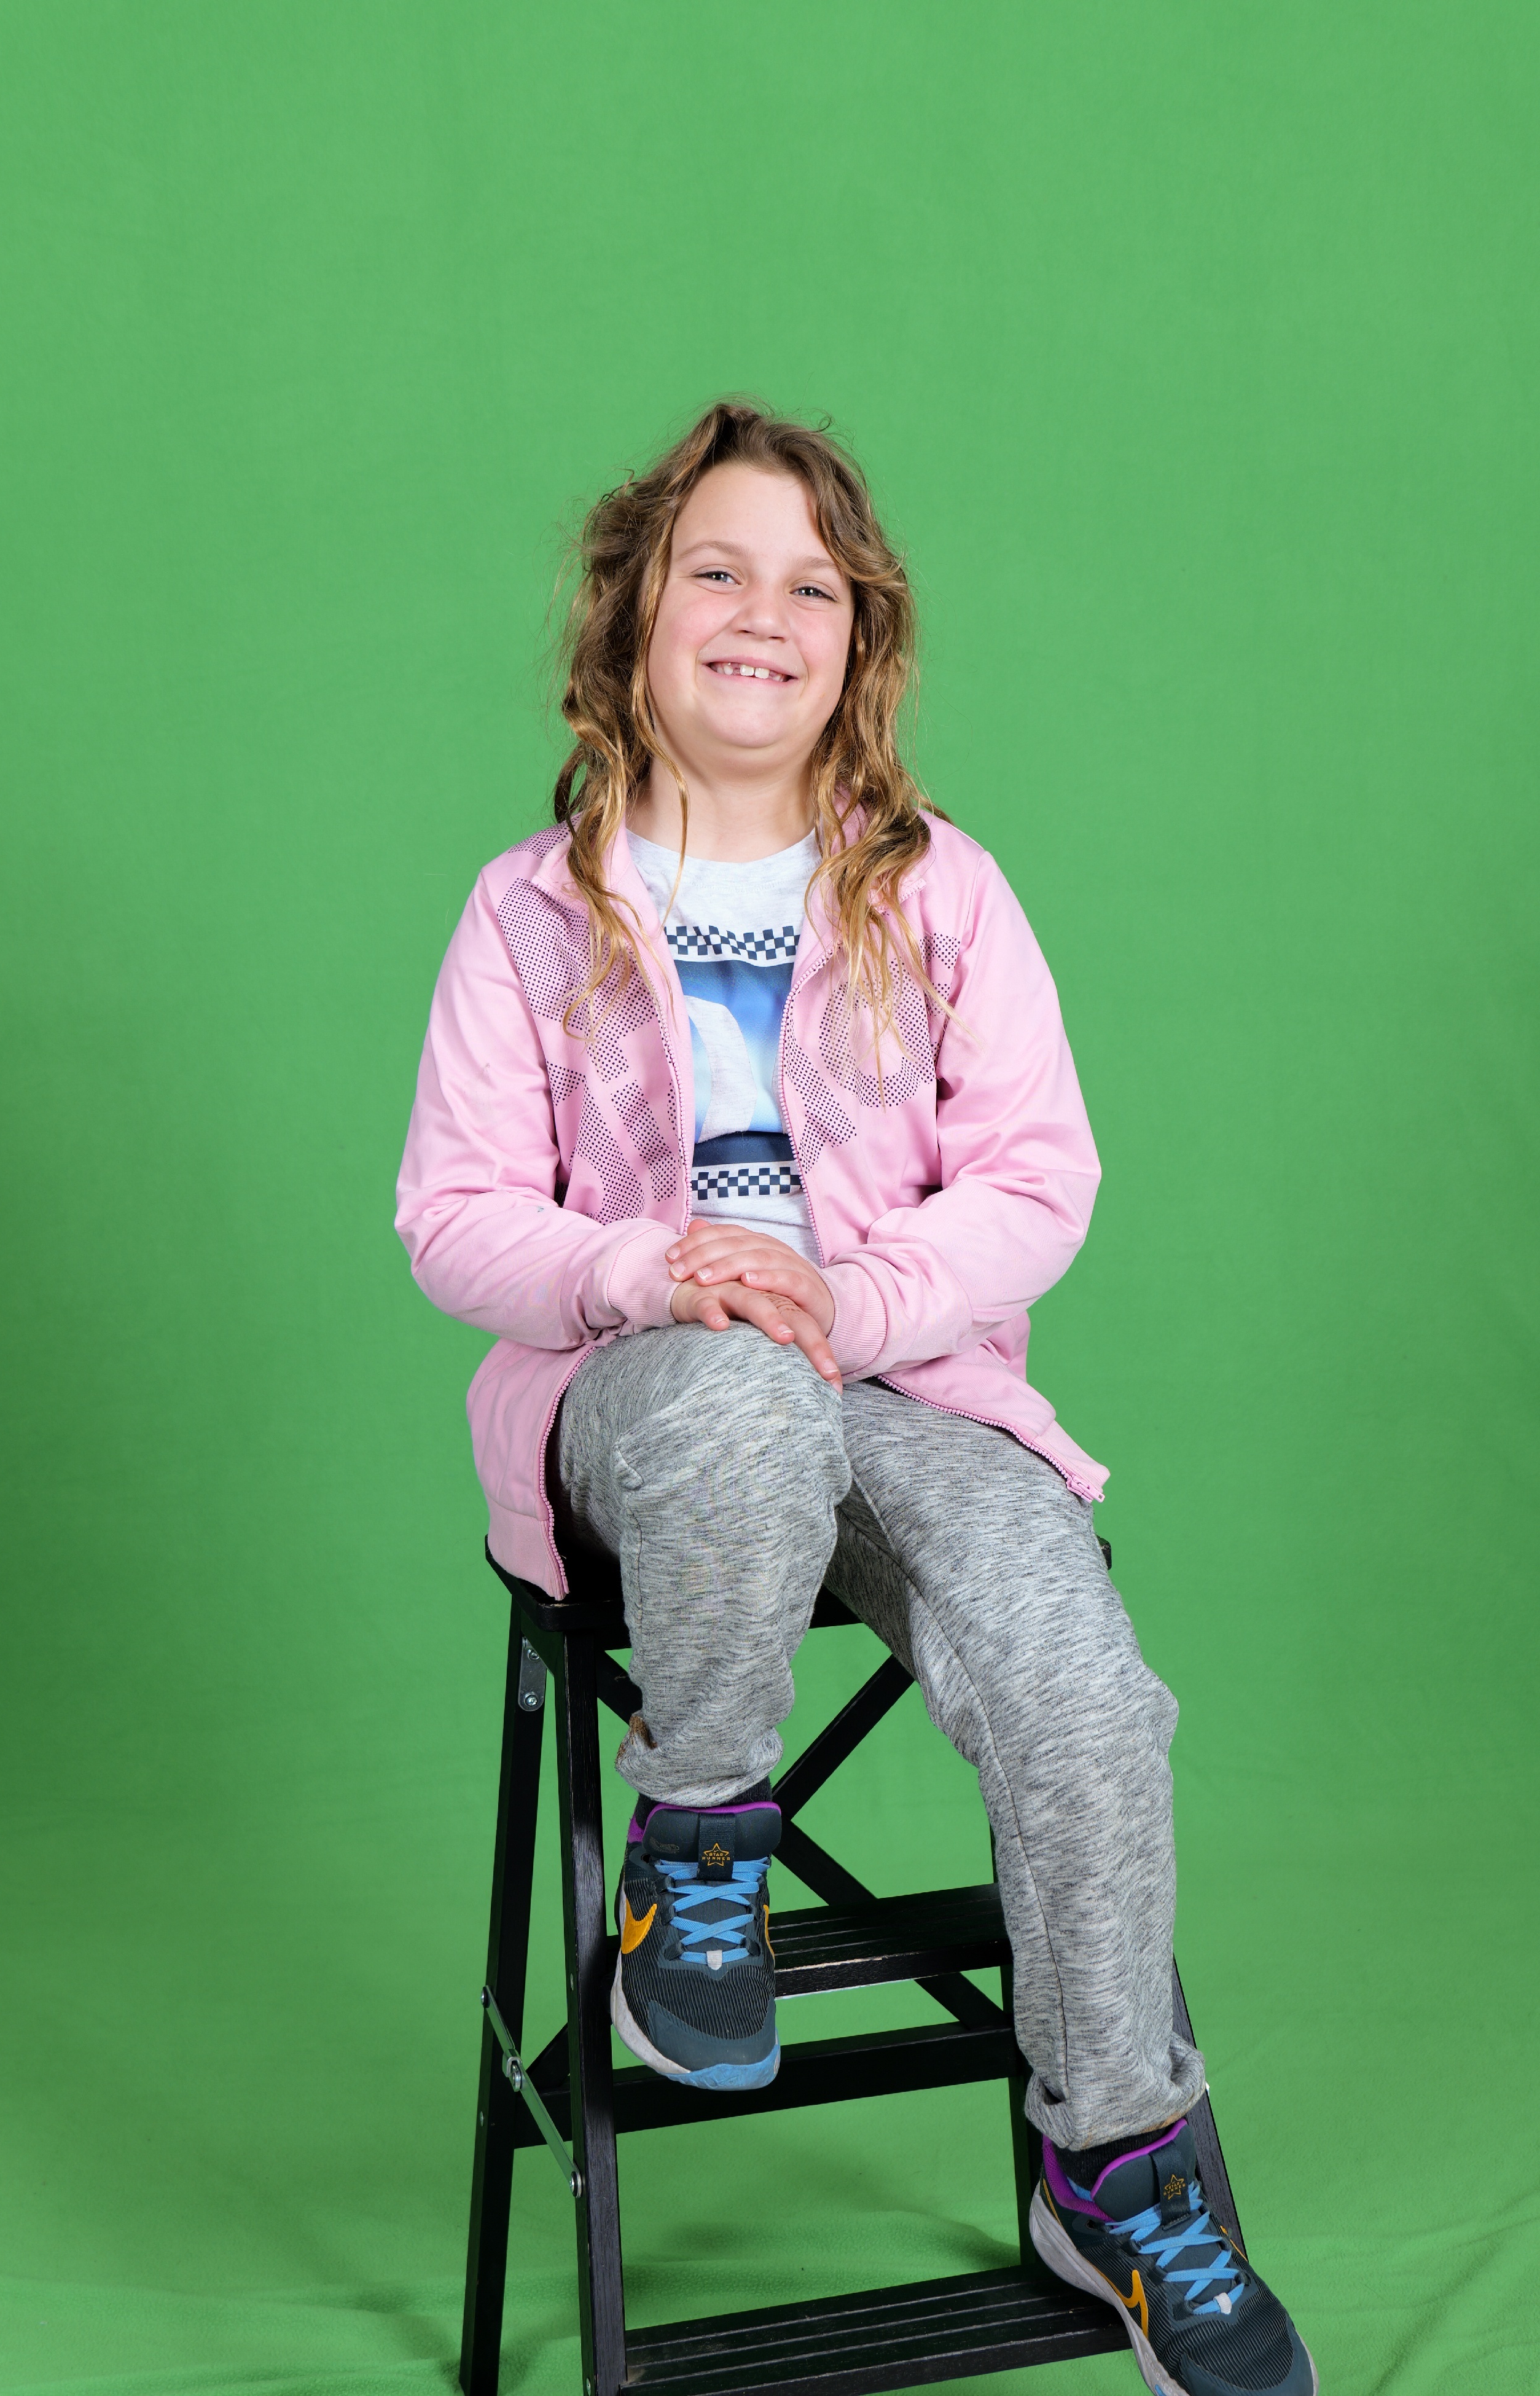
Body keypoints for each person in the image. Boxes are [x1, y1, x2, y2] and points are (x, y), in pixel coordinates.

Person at [396, 402, 1316, 2396]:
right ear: (634, 619)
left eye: (809, 585)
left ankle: (1114, 2158)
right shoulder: (528, 910)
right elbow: (453, 1217)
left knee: (1081, 1684)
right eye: (716, 570)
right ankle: (698, 1848)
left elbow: (1038, 1177)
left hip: (904, 1377)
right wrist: (650, 1269)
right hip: (638, 1385)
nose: (763, 612)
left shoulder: (944, 891)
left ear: (859, 638)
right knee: (741, 1406)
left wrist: (863, 1296)